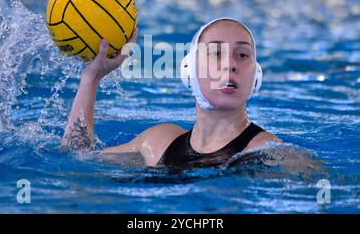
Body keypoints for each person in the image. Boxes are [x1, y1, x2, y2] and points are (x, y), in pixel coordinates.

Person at [62, 17, 281, 168]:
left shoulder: (267, 152)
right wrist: (91, 79)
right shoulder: (158, 143)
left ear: (256, 75)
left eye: (242, 55)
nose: (230, 65)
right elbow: (76, 157)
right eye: (216, 53)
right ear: (189, 69)